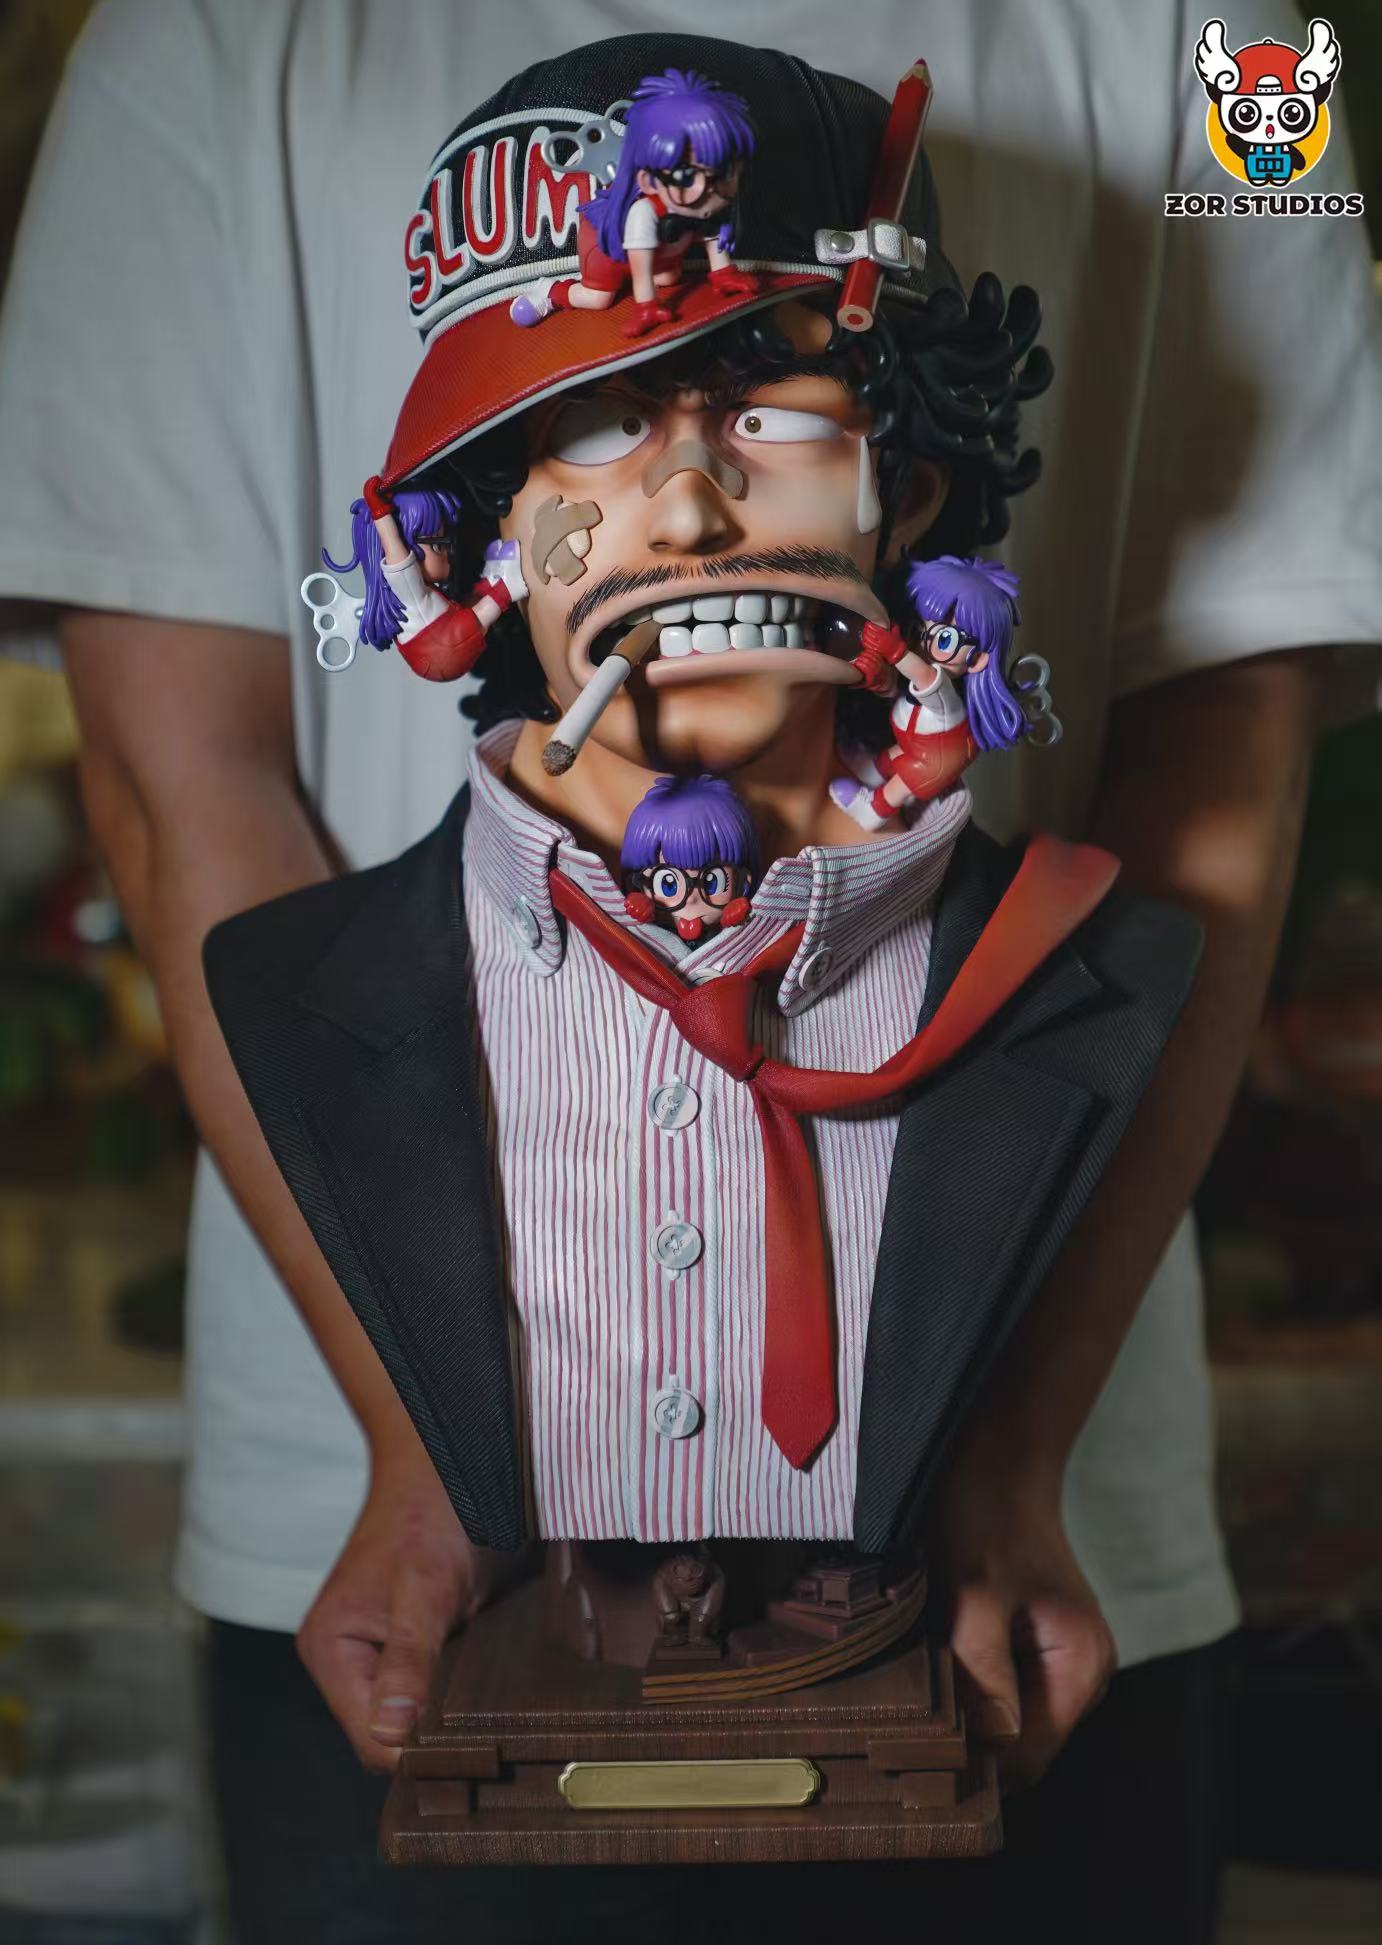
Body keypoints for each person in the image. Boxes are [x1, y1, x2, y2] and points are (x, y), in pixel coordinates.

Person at [0, 3, 1377, 1940]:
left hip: (1028, 1542)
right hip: (395, 1551)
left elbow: (1233, 715)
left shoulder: (1242, 38)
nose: (687, 503)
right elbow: (173, 776)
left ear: (907, 492)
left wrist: (1009, 1435)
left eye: (767, 425)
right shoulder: (189, 30)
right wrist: (428, 1438)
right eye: (591, 431)